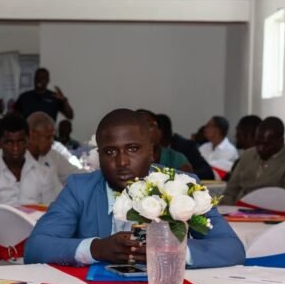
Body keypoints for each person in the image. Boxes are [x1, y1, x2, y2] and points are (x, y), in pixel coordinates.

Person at [24, 108, 245, 267]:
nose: (122, 162)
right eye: (110, 152)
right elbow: (36, 248)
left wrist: (172, 251)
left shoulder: (181, 186)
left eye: (132, 149)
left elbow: (232, 248)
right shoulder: (80, 189)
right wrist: (96, 249)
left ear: (151, 151)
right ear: (99, 156)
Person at [0, 114, 62, 210]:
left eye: (20, 142)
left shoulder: (44, 175)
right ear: (0, 142)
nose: (15, 148)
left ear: (27, 140)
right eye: (9, 142)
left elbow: (50, 213)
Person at [220, 117, 285, 205]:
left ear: (280, 141)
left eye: (266, 144)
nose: (260, 149)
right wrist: (224, 209)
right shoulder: (248, 155)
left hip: (269, 210)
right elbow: (230, 191)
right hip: (236, 209)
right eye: (257, 143)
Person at [156, 113, 214, 180]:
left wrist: (184, 175)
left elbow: (207, 172)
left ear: (161, 132)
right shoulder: (150, 149)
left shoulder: (186, 146)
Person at [136, 109, 194, 173]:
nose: (144, 131)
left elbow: (188, 178)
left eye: (149, 125)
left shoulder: (176, 159)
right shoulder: (128, 159)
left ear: (160, 132)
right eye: (139, 127)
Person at [225, 115, 262, 180]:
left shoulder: (253, 163)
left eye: (238, 132)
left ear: (248, 134)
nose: (235, 136)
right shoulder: (242, 160)